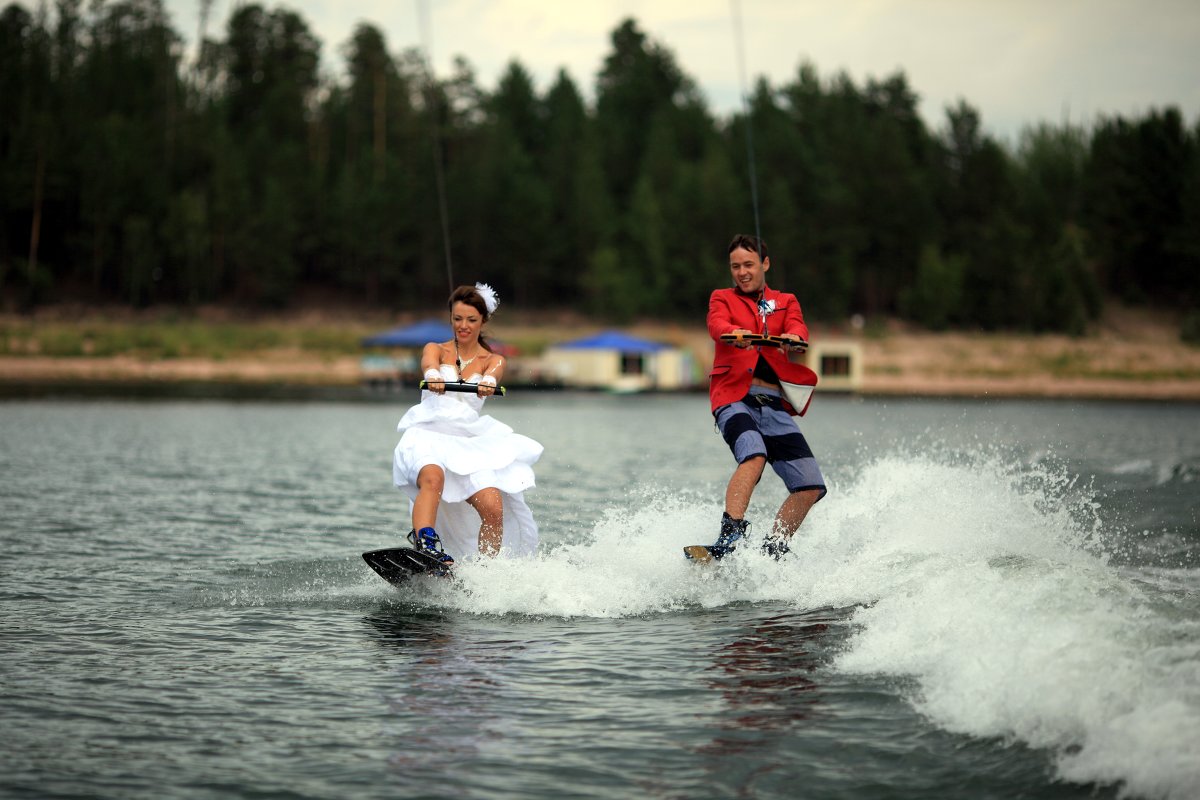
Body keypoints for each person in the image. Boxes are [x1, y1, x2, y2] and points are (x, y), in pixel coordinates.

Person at [392, 283, 543, 566]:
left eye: (471, 320)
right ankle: (426, 543)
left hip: (467, 442)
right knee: (432, 479)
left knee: (493, 506)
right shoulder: (435, 349)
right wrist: (434, 374)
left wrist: (487, 384)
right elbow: (428, 364)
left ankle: (485, 572)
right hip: (428, 434)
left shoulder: (493, 359)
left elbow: (493, 376)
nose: (463, 326)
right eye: (457, 318)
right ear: (450, 318)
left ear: (483, 321)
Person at [697, 234, 827, 561]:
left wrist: (794, 337)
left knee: (810, 485)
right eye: (735, 266)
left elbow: (798, 330)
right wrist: (733, 334)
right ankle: (731, 532)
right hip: (733, 399)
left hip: (773, 404)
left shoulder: (785, 301)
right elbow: (717, 326)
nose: (741, 272)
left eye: (749, 265)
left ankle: (773, 549)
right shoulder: (722, 298)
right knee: (753, 454)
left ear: (765, 264)